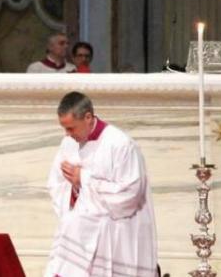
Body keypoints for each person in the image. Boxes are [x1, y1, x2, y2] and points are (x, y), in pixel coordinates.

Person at [44, 92, 158, 277]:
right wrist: (74, 189)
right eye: (64, 128)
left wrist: (83, 179)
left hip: (117, 232)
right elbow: (56, 185)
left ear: (88, 117)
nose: (67, 134)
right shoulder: (68, 144)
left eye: (71, 128)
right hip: (81, 232)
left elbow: (130, 194)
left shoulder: (120, 144)